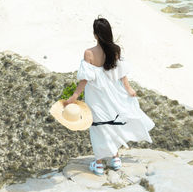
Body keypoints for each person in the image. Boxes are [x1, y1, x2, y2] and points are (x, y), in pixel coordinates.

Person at [63, 16, 155, 176]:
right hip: (113, 95)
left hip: (96, 97)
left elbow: (85, 80)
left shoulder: (89, 53)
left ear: (95, 34)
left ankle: (98, 164)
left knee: (98, 127)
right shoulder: (116, 50)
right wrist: (129, 89)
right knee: (112, 125)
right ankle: (115, 159)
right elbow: (122, 75)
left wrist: (74, 96)